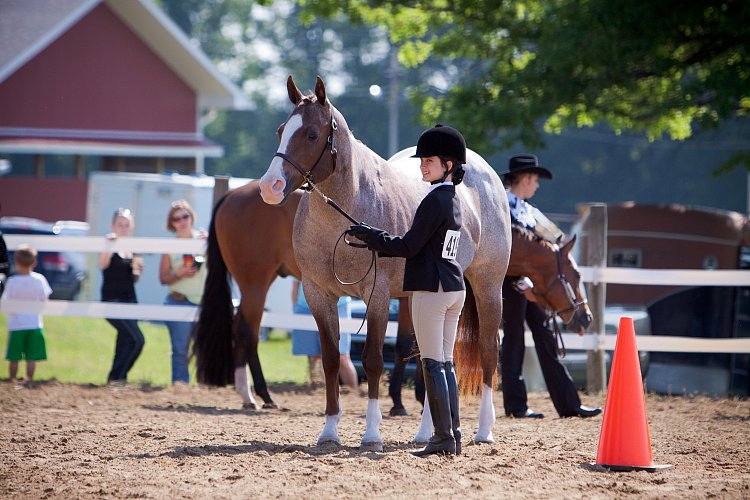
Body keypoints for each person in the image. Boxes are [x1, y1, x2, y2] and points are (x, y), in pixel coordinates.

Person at [349, 124, 467, 457]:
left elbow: (410, 246)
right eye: (422, 160)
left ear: (448, 164)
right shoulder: (453, 199)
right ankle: (453, 434)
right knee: (445, 364)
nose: (422, 165)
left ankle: (443, 438)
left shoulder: (434, 200)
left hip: (431, 290)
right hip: (453, 287)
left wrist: (372, 237)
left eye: (429, 160)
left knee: (433, 364)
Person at [499, 154, 602, 419]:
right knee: (514, 340)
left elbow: (555, 243)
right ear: (524, 179)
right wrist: (526, 286)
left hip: (533, 284)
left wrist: (537, 286)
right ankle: (516, 406)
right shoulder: (502, 207)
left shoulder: (530, 211)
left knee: (545, 336)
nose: (537, 186)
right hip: (509, 282)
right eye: (535, 180)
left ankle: (569, 404)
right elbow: (506, 252)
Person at [159, 200, 206, 384]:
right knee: (180, 350)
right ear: (172, 223)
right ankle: (180, 386)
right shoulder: (169, 246)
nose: (182, 221)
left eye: (185, 216)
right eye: (177, 218)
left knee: (204, 348)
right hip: (179, 300)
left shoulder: (203, 240)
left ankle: (205, 386)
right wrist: (178, 274)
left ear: (191, 217)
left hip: (203, 302)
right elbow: (163, 278)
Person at [99, 208, 145, 385]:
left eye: (126, 225)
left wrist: (138, 272)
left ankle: (117, 378)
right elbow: (102, 265)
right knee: (137, 340)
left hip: (130, 300)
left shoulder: (133, 249)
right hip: (112, 300)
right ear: (113, 225)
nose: (123, 228)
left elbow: (133, 278)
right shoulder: (109, 243)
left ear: (131, 227)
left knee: (124, 340)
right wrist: (109, 245)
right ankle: (118, 376)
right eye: (120, 224)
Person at [290, 278, 359, 391]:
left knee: (342, 356)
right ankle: (319, 391)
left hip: (338, 304)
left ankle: (354, 393)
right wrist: (295, 308)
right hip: (305, 306)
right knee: (313, 356)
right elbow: (295, 283)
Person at [4, 244, 52, 385]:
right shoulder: (39, 280)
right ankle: (29, 379)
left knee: (14, 356)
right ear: (34, 262)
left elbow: (7, 300)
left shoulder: (13, 281)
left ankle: (12, 379)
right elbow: (45, 298)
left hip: (16, 324)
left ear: (16, 262)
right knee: (31, 356)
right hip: (34, 323)